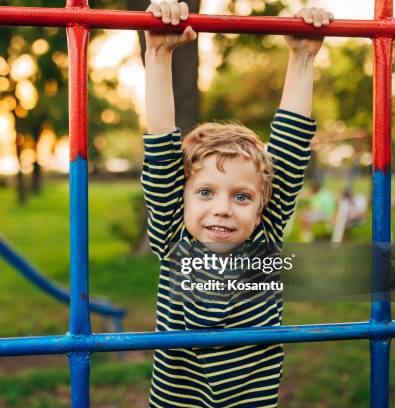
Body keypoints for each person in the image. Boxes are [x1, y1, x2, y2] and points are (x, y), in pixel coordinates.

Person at [141, 2, 333, 406]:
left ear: (262, 206)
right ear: (183, 197)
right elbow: (160, 150)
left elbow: (291, 147)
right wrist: (157, 55)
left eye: (241, 196)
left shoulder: (265, 234)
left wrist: (302, 57)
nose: (223, 209)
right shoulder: (173, 234)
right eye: (205, 192)